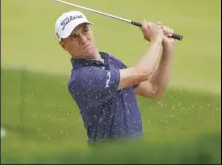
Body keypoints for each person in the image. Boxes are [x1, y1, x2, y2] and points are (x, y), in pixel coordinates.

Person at [55, 11, 175, 145]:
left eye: (85, 31)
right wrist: (156, 39)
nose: (83, 39)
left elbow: (154, 90)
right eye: (74, 37)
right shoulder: (82, 77)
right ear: (63, 45)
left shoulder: (109, 61)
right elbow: (142, 72)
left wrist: (167, 47)